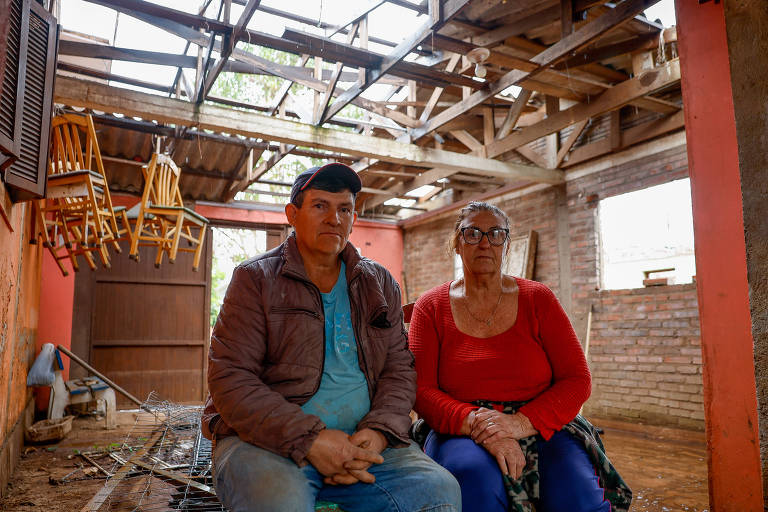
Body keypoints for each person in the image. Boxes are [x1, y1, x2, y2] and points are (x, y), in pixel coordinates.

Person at [201, 162, 461, 512]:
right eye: (320, 206)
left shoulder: (379, 283)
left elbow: (399, 371)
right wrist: (309, 440)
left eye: (344, 209)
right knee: (279, 503)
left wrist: (379, 433)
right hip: (266, 441)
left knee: (440, 492)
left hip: (365, 443)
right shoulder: (255, 280)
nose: (334, 219)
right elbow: (230, 379)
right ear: (292, 214)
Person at [408, 201, 631, 512]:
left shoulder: (538, 299)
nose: (484, 242)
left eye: (495, 234)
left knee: (577, 495)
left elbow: (577, 380)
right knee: (473, 482)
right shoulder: (431, 306)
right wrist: (480, 426)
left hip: (540, 421)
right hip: (459, 426)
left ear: (506, 244)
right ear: (457, 243)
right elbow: (421, 390)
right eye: (472, 233)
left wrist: (516, 425)